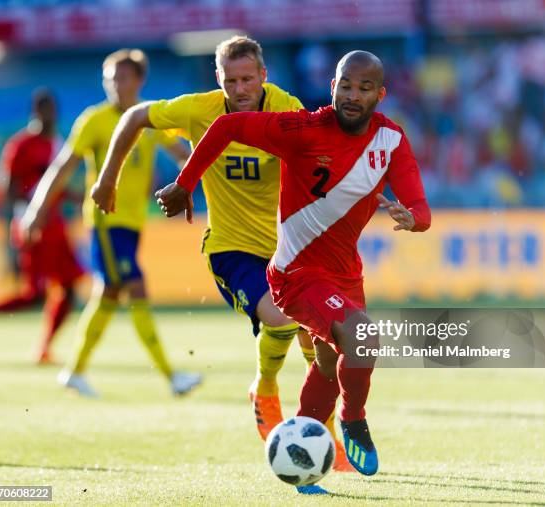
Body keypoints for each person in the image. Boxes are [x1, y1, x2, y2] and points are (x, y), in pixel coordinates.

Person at [156, 51, 431, 483]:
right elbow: (226, 126)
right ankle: (353, 419)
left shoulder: (391, 141)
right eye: (344, 85)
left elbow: (419, 204)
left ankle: (299, 454)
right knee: (362, 338)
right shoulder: (302, 129)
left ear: (381, 94)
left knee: (326, 363)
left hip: (344, 273)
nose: (352, 96)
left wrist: (414, 219)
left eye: (363, 88)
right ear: (332, 87)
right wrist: (185, 182)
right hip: (294, 273)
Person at [90, 37, 352, 470]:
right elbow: (137, 115)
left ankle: (323, 432)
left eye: (249, 79)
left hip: (288, 250)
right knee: (283, 316)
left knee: (319, 338)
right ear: (219, 80)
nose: (241, 88)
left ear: (264, 77)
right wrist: (107, 178)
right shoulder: (200, 108)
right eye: (231, 81)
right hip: (231, 249)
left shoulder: (286, 109)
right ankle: (266, 388)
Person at [20, 49, 201, 398]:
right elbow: (62, 167)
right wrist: (36, 210)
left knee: (108, 295)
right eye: (110, 79)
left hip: (133, 224)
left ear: (138, 81)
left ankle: (74, 371)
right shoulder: (95, 120)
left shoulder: (148, 118)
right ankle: (171, 376)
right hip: (106, 223)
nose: (116, 85)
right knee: (136, 287)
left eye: (123, 78)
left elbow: (183, 153)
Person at [0, 90, 83, 364]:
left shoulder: (58, 143)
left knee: (69, 288)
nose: (50, 116)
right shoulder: (21, 145)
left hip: (55, 225)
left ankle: (44, 348)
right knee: (35, 294)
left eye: (53, 110)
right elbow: (6, 188)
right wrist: (29, 207)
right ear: (36, 112)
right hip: (32, 225)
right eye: (45, 110)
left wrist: (84, 196)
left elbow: (58, 187)